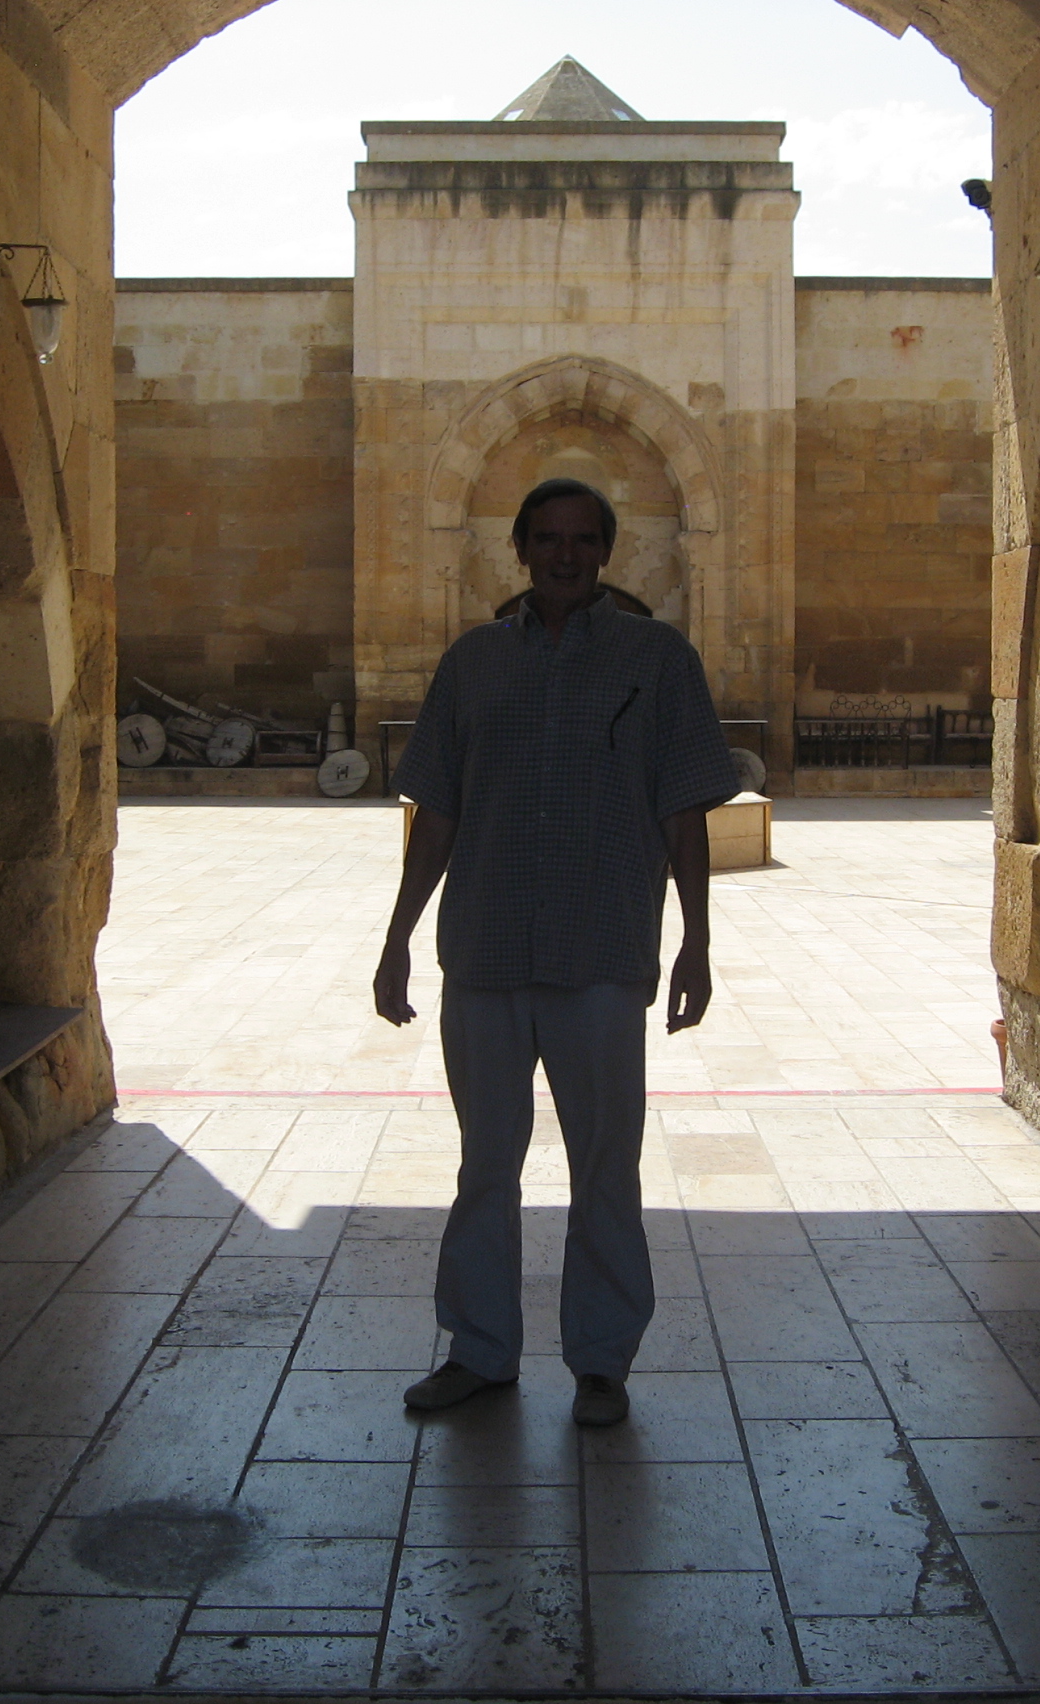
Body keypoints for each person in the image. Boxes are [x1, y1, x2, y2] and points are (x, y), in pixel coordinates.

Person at [375, 477, 737, 1427]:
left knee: (606, 1166)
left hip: (602, 950)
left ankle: (602, 1363)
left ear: (605, 552)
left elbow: (685, 812)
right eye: (547, 538)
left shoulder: (657, 662)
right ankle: (479, 1350)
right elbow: (437, 812)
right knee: (485, 1165)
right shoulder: (472, 666)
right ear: (521, 549)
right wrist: (398, 935)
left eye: (582, 539)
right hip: (486, 949)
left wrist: (697, 942)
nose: (564, 555)